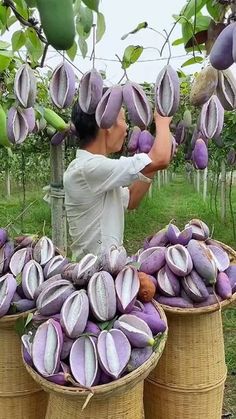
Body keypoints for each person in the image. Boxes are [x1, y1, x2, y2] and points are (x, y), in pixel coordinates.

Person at [63, 101, 172, 261]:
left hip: (109, 266)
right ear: (105, 124)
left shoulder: (94, 170)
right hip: (93, 273)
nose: (127, 127)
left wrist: (152, 165)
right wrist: (162, 121)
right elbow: (161, 158)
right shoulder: (88, 168)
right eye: (123, 119)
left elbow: (131, 199)